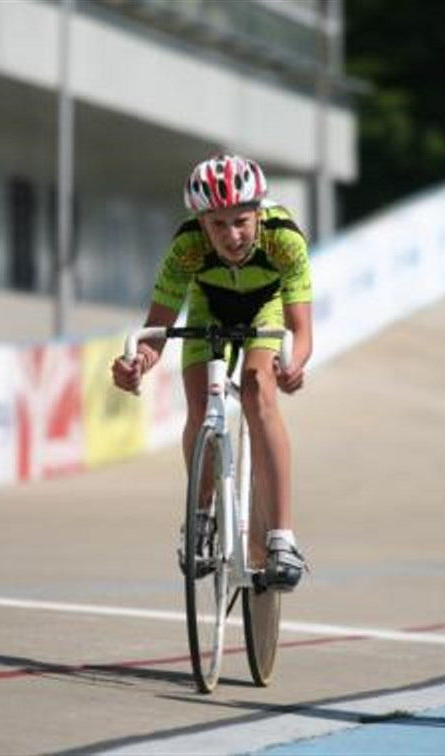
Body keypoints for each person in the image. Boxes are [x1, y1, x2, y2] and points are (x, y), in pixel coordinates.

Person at [112, 153, 313, 591]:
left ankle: (282, 537)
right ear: (201, 223)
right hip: (208, 308)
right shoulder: (186, 246)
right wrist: (138, 364)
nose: (232, 235)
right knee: (202, 407)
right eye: (217, 224)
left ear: (259, 212)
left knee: (260, 391)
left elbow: (300, 330)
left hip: (265, 306)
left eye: (241, 220)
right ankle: (200, 514)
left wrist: (294, 364)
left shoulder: (284, 239)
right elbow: (156, 330)